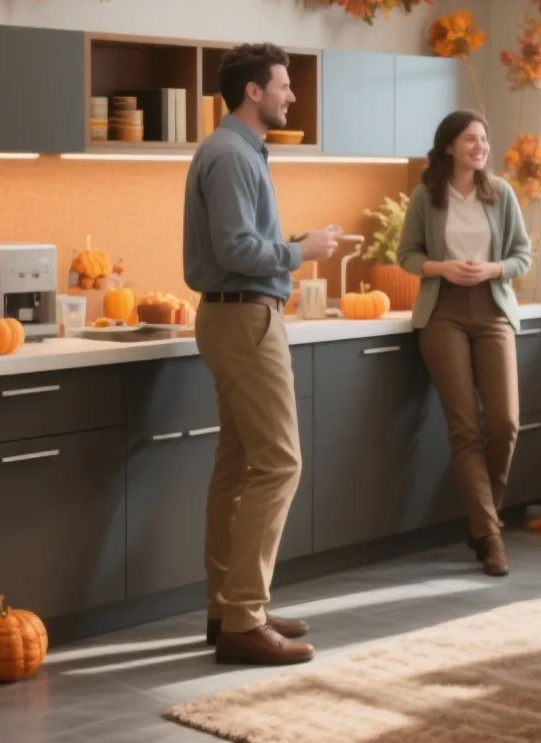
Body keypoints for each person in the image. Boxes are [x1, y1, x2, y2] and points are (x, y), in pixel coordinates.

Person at [184, 42, 341, 666]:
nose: (292, 95)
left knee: (239, 463)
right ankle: (244, 617)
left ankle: (229, 609)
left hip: (237, 314)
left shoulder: (238, 151)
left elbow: (241, 243)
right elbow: (235, 249)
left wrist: (295, 242)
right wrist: (301, 251)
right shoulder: (231, 155)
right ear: (254, 91)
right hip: (245, 318)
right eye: (283, 85)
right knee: (279, 463)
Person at [399, 110, 535, 578]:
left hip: (493, 309)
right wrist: (443, 268)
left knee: (505, 422)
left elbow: (522, 255)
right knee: (465, 428)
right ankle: (491, 536)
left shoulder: (501, 194)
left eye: (483, 139)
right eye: (470, 139)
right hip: (443, 313)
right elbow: (406, 255)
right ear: (449, 147)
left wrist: (494, 269)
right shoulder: (425, 196)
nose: (480, 147)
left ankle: (482, 521)